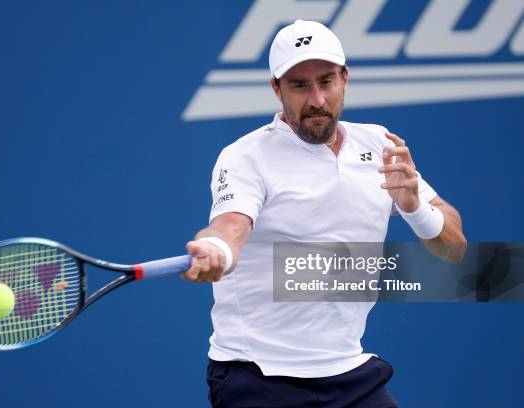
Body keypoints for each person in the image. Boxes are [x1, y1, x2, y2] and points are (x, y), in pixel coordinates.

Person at [183, 20, 466, 408]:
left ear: (344, 79)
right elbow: (230, 227)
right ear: (276, 89)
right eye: (299, 85)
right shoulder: (244, 157)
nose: (316, 99)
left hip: (350, 374)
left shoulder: (380, 144)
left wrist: (415, 208)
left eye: (326, 81)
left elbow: (455, 249)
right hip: (257, 376)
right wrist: (216, 248)